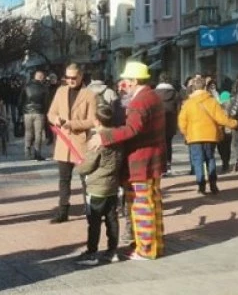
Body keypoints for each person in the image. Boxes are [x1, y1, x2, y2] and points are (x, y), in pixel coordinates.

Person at [87, 61, 166, 261]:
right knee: (153, 203)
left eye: (126, 80)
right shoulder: (152, 96)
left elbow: (132, 129)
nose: (123, 83)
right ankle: (154, 244)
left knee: (141, 205)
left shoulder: (140, 102)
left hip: (140, 161)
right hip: (152, 158)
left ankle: (145, 248)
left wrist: (105, 136)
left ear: (134, 80)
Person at [47, 63, 97, 224]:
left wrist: (72, 124)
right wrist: (55, 119)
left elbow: (92, 121)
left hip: (81, 142)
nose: (70, 80)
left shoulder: (89, 94)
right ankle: (63, 211)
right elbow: (51, 113)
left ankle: (90, 209)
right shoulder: (60, 91)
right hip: (63, 142)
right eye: (67, 77)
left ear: (81, 76)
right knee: (64, 179)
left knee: (86, 179)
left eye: (73, 77)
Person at [73, 105, 124, 265]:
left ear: (96, 121)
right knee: (112, 219)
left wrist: (78, 165)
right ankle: (112, 251)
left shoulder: (97, 140)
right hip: (113, 185)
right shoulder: (118, 137)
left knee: (94, 222)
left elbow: (88, 165)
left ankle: (92, 252)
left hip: (97, 186)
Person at [180, 76, 238, 195]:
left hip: (194, 137)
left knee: (198, 161)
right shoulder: (212, 101)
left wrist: (186, 134)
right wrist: (235, 123)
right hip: (210, 136)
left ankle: (201, 185)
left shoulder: (188, 104)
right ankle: (213, 184)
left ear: (193, 88)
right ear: (205, 87)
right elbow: (221, 119)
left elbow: (182, 122)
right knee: (210, 159)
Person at [20, 70, 50, 161]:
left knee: (28, 132)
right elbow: (46, 102)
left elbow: (21, 99)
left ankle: (27, 151)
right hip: (39, 113)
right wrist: (46, 112)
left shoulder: (26, 86)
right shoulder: (44, 88)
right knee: (38, 133)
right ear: (41, 77)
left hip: (27, 113)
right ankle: (37, 152)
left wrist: (22, 110)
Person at [155, 73, 180, 176]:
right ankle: (168, 165)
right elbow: (178, 109)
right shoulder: (175, 94)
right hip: (170, 123)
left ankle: (159, 165)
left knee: (158, 145)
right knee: (168, 144)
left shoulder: (154, 93)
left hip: (157, 123)